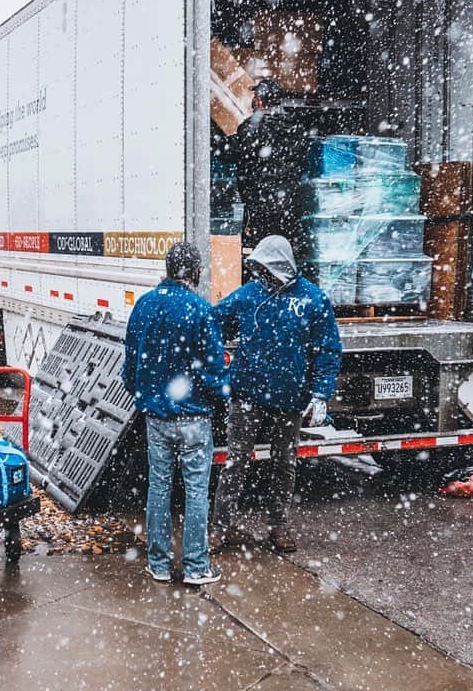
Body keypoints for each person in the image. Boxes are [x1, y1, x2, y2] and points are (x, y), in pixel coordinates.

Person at [211, 235, 342, 553]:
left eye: (268, 270)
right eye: (260, 270)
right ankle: (219, 528)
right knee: (236, 462)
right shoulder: (248, 296)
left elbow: (328, 349)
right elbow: (214, 322)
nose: (264, 277)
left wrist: (321, 393)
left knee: (284, 463)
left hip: (290, 396)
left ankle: (278, 526)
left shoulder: (312, 300)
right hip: (247, 393)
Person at [122, 241, 228, 585]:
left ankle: (160, 564)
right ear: (194, 272)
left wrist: (147, 395)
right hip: (195, 419)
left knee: (159, 487)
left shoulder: (144, 306)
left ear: (168, 269)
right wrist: (225, 391)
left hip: (157, 419)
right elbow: (212, 373)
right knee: (197, 491)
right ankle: (197, 567)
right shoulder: (200, 310)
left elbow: (130, 369)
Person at [232, 78, 309, 257]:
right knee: (287, 256)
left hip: (262, 207)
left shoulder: (253, 127)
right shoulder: (296, 128)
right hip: (290, 207)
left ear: (259, 100)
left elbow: (236, 152)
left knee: (260, 256)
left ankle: (264, 283)